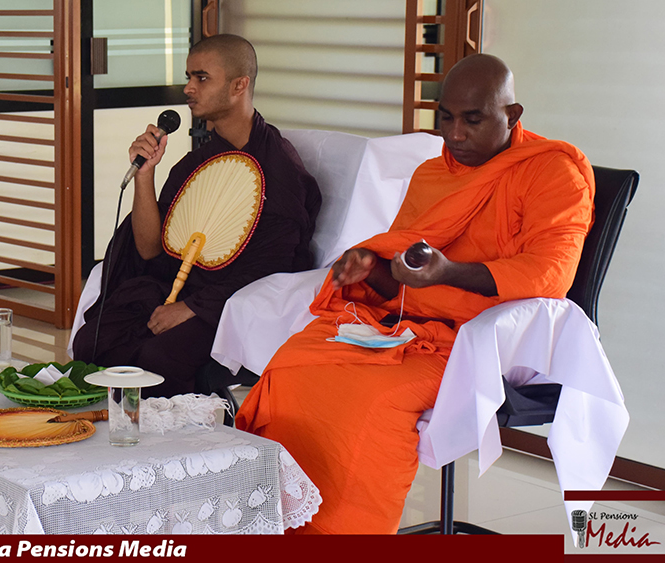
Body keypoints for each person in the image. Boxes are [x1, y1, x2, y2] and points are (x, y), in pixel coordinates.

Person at [236, 54, 595, 534]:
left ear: (512, 115)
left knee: (370, 399)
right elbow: (408, 275)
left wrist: (449, 273)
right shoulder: (432, 175)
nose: (456, 134)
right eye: (446, 118)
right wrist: (371, 268)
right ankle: (277, 527)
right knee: (291, 369)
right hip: (409, 329)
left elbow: (550, 274)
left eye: (473, 120)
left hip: (483, 343)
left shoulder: (551, 172)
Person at [72, 34, 321, 397]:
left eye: (201, 78)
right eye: (188, 77)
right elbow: (150, 250)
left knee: (159, 356)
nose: (189, 88)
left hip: (230, 303)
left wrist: (191, 308)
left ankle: (171, 432)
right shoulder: (197, 163)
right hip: (178, 288)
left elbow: (273, 266)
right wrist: (145, 175)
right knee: (92, 341)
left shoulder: (278, 169)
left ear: (239, 85)